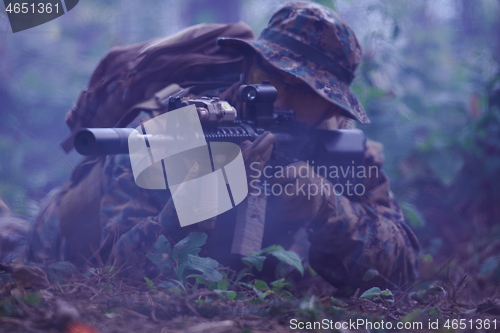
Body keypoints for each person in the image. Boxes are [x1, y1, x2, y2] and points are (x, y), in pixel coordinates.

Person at [6, 1, 419, 294]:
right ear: (249, 66)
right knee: (13, 243)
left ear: (331, 104)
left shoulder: (335, 143)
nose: (283, 103)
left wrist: (330, 210)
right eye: (269, 78)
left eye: (307, 94)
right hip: (61, 237)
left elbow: (403, 268)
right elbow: (114, 271)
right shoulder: (174, 127)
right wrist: (189, 209)